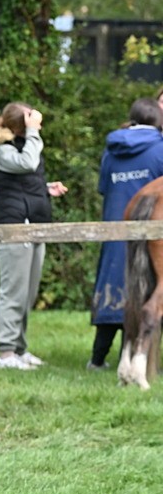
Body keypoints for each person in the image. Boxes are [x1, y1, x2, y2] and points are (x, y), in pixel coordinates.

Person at [0, 103, 69, 370]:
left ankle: (19, 349)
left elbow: (23, 178)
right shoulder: (1, 149)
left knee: (28, 293)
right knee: (13, 292)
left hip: (33, 222)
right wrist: (33, 132)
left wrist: (46, 189)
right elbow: (28, 162)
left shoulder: (17, 145)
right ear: (20, 125)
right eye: (30, 120)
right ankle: (5, 354)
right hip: (15, 225)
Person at [90, 98, 163, 369]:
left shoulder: (111, 151)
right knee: (150, 286)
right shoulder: (160, 149)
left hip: (116, 222)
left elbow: (103, 187)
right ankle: (138, 357)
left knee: (117, 283)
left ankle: (98, 358)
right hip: (153, 227)